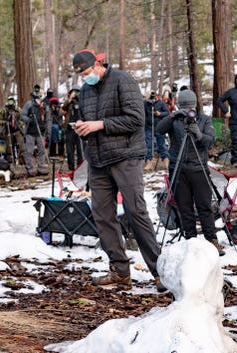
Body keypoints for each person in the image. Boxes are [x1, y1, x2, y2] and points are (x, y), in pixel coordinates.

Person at [71, 48, 165, 291]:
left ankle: (159, 271)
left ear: (98, 65)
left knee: (136, 211)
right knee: (102, 215)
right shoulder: (85, 92)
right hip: (98, 160)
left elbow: (136, 119)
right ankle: (119, 270)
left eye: (88, 72)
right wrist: (82, 128)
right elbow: (89, 122)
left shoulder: (123, 80)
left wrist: (99, 125)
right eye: (81, 75)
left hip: (126, 157)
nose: (86, 78)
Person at [156, 89, 225, 256]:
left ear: (196, 106)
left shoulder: (203, 119)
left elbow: (210, 141)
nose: (188, 111)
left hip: (198, 168)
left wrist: (199, 135)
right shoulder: (174, 120)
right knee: (184, 207)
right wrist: (172, 115)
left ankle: (211, 240)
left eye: (190, 107)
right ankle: (190, 240)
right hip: (178, 169)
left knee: (204, 206)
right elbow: (159, 129)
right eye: (184, 107)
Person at [22, 85, 50, 176]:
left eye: (43, 93)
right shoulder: (29, 104)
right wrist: (29, 120)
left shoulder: (45, 106)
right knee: (29, 151)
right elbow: (22, 116)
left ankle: (41, 168)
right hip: (30, 131)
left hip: (41, 132)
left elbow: (48, 119)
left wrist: (47, 130)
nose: (41, 95)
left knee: (42, 150)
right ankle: (29, 169)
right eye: (40, 93)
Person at [143, 90, 170, 171]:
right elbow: (143, 114)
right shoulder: (145, 103)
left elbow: (167, 113)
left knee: (161, 144)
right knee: (148, 145)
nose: (149, 97)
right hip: (148, 127)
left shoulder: (161, 103)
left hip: (159, 127)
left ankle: (166, 161)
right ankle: (149, 162)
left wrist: (160, 114)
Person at [0, 96, 26, 165]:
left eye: (12, 101)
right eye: (9, 101)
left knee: (21, 146)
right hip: (8, 130)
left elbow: (24, 119)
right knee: (9, 147)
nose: (11, 103)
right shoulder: (4, 110)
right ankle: (11, 162)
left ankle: (23, 161)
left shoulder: (19, 110)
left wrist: (19, 123)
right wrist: (5, 123)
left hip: (17, 130)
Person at [61, 86, 84, 171]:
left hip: (79, 127)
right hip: (69, 128)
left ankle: (80, 166)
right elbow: (62, 110)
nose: (76, 94)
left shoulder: (82, 101)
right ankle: (71, 168)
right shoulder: (69, 103)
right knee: (70, 149)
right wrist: (70, 99)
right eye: (74, 92)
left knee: (80, 149)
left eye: (77, 92)